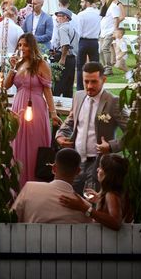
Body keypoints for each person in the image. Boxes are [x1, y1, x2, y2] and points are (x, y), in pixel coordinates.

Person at [55, 61, 127, 194]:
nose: (89, 86)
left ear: (103, 80)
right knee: (72, 198)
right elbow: (71, 120)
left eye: (94, 82)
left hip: (99, 164)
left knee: (93, 202)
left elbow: (132, 132)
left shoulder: (113, 102)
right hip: (76, 161)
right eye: (86, 81)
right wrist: (60, 135)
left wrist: (111, 146)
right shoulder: (78, 96)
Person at [3, 33, 59, 188]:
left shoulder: (41, 64)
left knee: (35, 144)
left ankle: (35, 182)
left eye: (25, 45)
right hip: (18, 106)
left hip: (36, 107)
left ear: (32, 46)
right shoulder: (18, 64)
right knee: (17, 142)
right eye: (20, 45)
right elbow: (6, 86)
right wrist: (12, 68)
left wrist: (53, 113)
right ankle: (17, 182)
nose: (22, 48)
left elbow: (47, 90)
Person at [12, 148, 92, 224]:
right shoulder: (85, 208)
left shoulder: (30, 188)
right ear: (78, 171)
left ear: (53, 168)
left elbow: (12, 219)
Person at [58, 153, 132, 230]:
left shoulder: (111, 194)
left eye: (101, 168)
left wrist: (83, 208)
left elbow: (116, 222)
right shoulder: (123, 192)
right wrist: (99, 200)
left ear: (108, 174)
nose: (97, 169)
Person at [76, 0, 101, 90]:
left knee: (80, 67)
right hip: (94, 41)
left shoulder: (81, 14)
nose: (81, 4)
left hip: (83, 41)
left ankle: (80, 89)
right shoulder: (98, 13)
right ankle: (97, 86)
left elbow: (79, 31)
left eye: (82, 2)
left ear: (87, 2)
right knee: (96, 66)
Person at [52, 8, 78, 98]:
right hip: (72, 58)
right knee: (68, 86)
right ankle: (67, 108)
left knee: (58, 85)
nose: (57, 18)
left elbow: (65, 44)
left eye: (59, 16)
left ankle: (54, 107)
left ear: (66, 17)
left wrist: (62, 59)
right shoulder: (72, 28)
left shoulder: (62, 28)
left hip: (63, 57)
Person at [99, 0, 125, 75]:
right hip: (103, 32)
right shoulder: (104, 7)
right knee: (100, 50)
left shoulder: (113, 7)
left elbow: (116, 19)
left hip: (110, 31)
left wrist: (114, 31)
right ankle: (104, 67)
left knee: (105, 48)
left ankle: (108, 68)